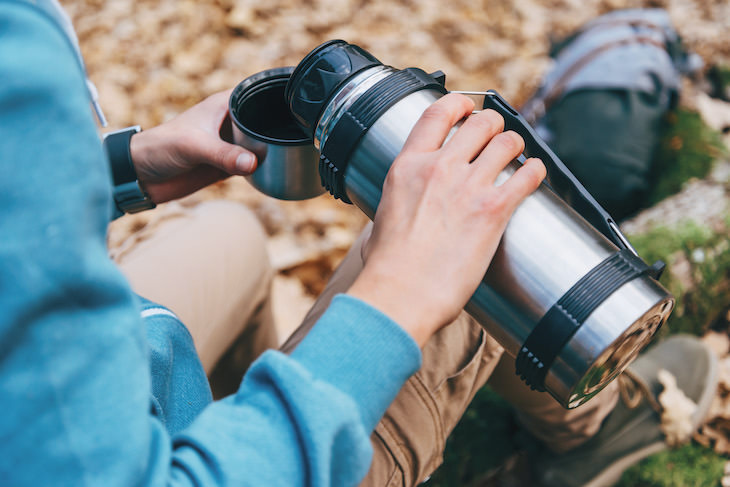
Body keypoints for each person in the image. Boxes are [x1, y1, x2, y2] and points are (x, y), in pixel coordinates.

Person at [0, 2, 717, 487]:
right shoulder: (19, 55)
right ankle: (600, 431)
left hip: (126, 372)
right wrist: (397, 296)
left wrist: (117, 167)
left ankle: (258, 397)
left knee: (229, 235)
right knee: (474, 219)